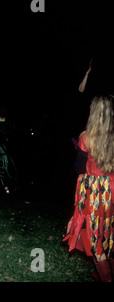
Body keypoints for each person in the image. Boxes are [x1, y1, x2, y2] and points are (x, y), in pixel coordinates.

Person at [63, 94, 114, 282]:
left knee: (96, 241)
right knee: (109, 233)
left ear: (93, 112)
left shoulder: (87, 137)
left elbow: (78, 168)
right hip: (113, 189)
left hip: (96, 192)